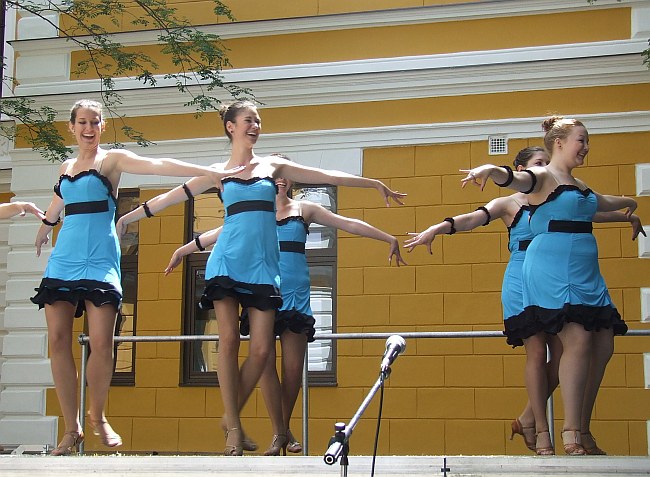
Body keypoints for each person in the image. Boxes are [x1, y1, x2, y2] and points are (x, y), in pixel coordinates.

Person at [115, 100, 405, 456]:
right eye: (249, 120)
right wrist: (130, 217)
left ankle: (232, 417)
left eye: (258, 121)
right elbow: (171, 197)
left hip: (263, 269)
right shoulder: (217, 172)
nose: (255, 126)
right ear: (231, 127)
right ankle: (235, 429)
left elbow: (328, 175)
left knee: (262, 350)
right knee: (228, 340)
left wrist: (371, 182)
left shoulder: (273, 167)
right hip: (227, 262)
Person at [31, 99, 242, 456]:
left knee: (102, 341)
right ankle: (71, 428)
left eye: (94, 122)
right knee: (58, 340)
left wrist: (209, 172)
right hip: (64, 257)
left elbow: (157, 164)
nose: (88, 129)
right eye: (82, 122)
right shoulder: (66, 166)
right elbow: (58, 204)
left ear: (102, 126)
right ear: (71, 127)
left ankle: (98, 415)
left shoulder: (111, 160)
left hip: (99, 258)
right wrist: (45, 226)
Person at [406, 146, 643, 455]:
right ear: (522, 170)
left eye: (547, 162)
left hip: (552, 276)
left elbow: (591, 212)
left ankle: (529, 419)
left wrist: (627, 218)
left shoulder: (556, 195)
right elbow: (473, 219)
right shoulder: (510, 202)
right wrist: (439, 228)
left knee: (565, 352)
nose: (545, 168)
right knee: (537, 351)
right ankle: (541, 429)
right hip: (522, 279)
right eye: (538, 163)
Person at [165, 162, 407, 455]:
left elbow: (348, 223)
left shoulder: (305, 209)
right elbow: (218, 233)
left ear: (291, 180)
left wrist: (387, 237)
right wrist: (183, 250)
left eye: (284, 176)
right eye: (274, 177)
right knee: (265, 364)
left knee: (292, 370)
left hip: (295, 295)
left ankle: (282, 428)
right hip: (263, 291)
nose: (280, 180)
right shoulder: (257, 210)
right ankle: (279, 433)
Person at [460, 116, 638, 456]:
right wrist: (490, 169)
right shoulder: (542, 176)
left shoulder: (579, 184)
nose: (586, 147)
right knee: (578, 338)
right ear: (560, 143)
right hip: (553, 266)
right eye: (581, 140)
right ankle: (570, 431)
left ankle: (582, 428)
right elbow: (514, 179)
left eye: (587, 141)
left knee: (603, 344)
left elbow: (599, 204)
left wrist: (630, 205)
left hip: (586, 270)